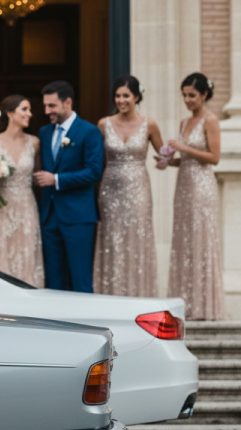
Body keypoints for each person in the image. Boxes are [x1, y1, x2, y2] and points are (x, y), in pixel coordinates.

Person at [93, 76, 164, 297]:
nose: (121, 100)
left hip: (138, 189)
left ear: (136, 97)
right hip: (110, 188)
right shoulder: (104, 124)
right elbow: (96, 158)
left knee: (137, 236)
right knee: (112, 237)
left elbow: (163, 155)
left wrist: (167, 159)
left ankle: (139, 292)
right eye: (118, 96)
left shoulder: (149, 124)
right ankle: (111, 292)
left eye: (126, 95)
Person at [164, 73, 225, 320]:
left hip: (202, 188)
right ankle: (186, 304)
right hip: (184, 187)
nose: (187, 100)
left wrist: (184, 148)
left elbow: (214, 157)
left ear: (204, 95)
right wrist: (168, 161)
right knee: (185, 241)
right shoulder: (183, 123)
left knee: (201, 240)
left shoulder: (210, 120)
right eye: (184, 95)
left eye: (192, 95)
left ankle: (205, 306)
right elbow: (186, 159)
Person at [34, 81, 103, 292]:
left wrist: (56, 179)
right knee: (53, 280)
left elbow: (93, 171)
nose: (47, 111)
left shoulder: (89, 132)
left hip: (78, 216)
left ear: (68, 102)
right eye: (45, 106)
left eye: (52, 106)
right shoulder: (44, 133)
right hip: (49, 216)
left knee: (80, 277)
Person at [0, 95, 44, 287]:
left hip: (25, 206)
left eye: (29, 110)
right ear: (10, 113)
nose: (29, 114)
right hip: (0, 207)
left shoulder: (34, 142)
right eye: (24, 109)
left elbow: (37, 177)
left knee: (25, 254)